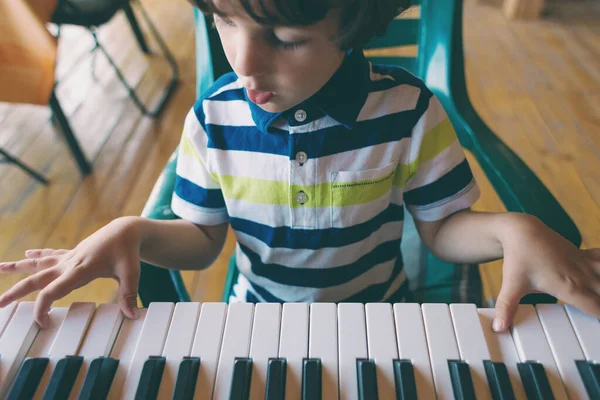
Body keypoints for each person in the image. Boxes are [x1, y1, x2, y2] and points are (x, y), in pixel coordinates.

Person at [1, 0, 598, 332]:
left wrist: (511, 229)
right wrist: (133, 231)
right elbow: (205, 241)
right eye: (224, 19)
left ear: (358, 24)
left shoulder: (409, 111)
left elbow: (442, 230)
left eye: (285, 38)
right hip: (256, 323)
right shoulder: (214, 117)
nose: (243, 62)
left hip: (384, 317)